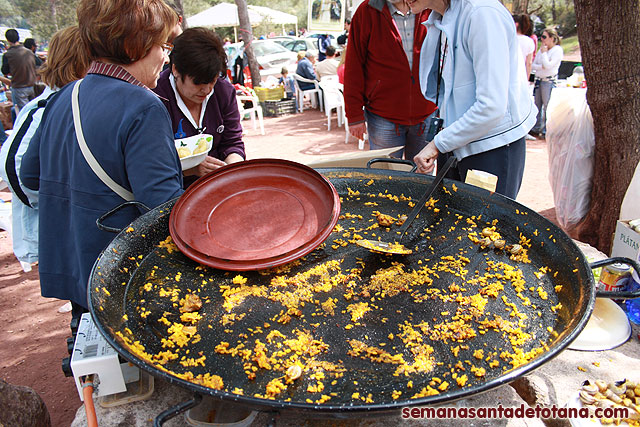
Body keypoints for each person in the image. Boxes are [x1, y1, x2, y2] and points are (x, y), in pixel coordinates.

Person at [20, 0, 183, 321]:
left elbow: (29, 176)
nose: (166, 56)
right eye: (162, 45)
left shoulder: (65, 95)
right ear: (135, 44)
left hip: (74, 268)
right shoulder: (143, 105)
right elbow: (163, 207)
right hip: (121, 277)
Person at [410, 0, 537, 200]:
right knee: (448, 222)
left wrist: (437, 144)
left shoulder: (481, 13)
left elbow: (492, 107)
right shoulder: (442, 17)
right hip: (455, 141)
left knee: (485, 228)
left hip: (491, 146)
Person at [0, 26, 91, 273]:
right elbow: (14, 167)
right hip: (56, 227)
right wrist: (53, 201)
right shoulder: (45, 109)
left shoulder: (73, 104)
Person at [153, 27, 245, 188]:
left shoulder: (223, 91)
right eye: (198, 83)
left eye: (213, 80)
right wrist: (190, 168)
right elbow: (151, 163)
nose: (207, 90)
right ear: (175, 69)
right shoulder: (155, 96)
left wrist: (231, 168)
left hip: (219, 184)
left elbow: (232, 142)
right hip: (173, 191)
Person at [344, 0, 437, 159]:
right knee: (386, 174)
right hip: (383, 115)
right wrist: (354, 116)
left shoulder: (430, 8)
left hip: (427, 111)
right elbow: (354, 66)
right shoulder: (367, 11)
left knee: (422, 176)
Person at [529, 27, 563, 138]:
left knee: (547, 106)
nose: (542, 40)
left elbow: (548, 66)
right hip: (539, 80)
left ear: (552, 38)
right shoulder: (542, 50)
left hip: (548, 81)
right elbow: (534, 65)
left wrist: (544, 56)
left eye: (544, 37)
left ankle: (546, 130)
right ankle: (536, 127)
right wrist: (542, 66)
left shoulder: (557, 50)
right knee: (537, 105)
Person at [1, 29, 37, 114]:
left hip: (19, 87)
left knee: (23, 114)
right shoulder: (29, 52)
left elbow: (5, 71)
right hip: (32, 86)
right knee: (34, 111)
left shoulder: (8, 54)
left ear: (8, 40)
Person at [513, 14, 534, 82]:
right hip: (521, 75)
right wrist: (526, 80)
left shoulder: (508, 39)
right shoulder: (529, 41)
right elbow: (529, 63)